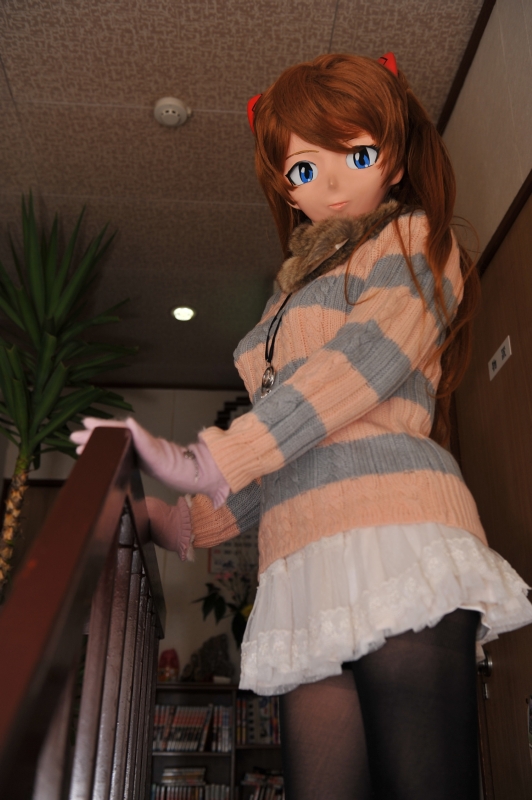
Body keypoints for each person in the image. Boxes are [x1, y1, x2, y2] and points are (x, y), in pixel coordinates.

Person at [72, 53, 532, 800]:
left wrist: (217, 456)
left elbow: (362, 365)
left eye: (359, 155)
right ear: (285, 186)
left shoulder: (414, 237)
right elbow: (289, 445)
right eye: (305, 169)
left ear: (395, 158)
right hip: (302, 557)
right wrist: (179, 520)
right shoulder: (284, 296)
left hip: (394, 534)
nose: (334, 183)